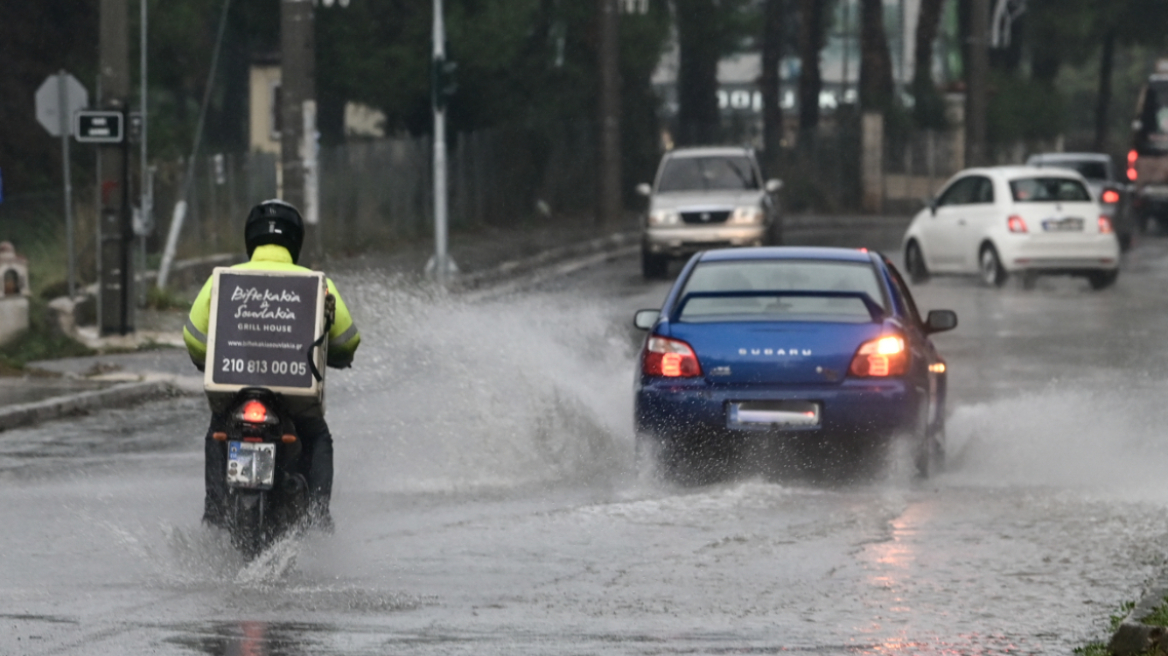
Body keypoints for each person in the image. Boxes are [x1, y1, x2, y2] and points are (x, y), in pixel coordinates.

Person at [183, 199, 361, 531]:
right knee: (317, 435)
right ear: (296, 240)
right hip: (295, 395)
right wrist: (338, 357)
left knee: (217, 430)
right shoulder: (317, 283)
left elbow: (193, 336)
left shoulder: (223, 279)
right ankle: (319, 515)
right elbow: (347, 341)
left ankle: (215, 509)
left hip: (235, 391)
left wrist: (203, 359)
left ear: (251, 238)